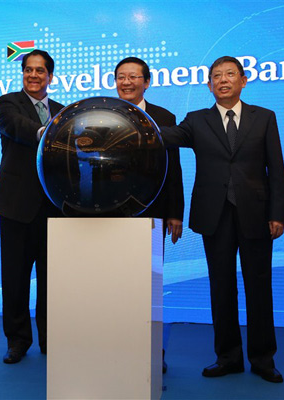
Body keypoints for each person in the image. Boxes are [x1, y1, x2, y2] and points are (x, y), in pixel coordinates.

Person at [159, 56, 284, 383]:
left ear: (243, 80)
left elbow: (276, 168)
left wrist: (278, 213)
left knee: (259, 287)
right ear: (209, 85)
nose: (223, 80)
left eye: (230, 74)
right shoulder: (196, 120)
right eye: (216, 76)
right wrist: (131, 122)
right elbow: (166, 137)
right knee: (221, 287)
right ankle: (228, 357)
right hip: (213, 215)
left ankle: (263, 359)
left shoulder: (264, 117)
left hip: (256, 214)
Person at [0, 49, 65, 364]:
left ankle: (51, 339)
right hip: (17, 205)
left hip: (55, 208)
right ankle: (17, 341)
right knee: (15, 279)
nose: (33, 75)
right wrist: (49, 132)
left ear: (50, 76)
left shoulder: (63, 111)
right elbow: (17, 127)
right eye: (28, 70)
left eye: (40, 70)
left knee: (53, 280)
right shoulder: (8, 103)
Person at [114, 56, 185, 373]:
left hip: (152, 213)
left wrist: (175, 213)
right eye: (120, 76)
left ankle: (152, 349)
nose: (126, 82)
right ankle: (118, 346)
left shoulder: (164, 117)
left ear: (146, 82)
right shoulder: (102, 114)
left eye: (133, 76)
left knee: (149, 285)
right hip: (110, 217)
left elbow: (173, 169)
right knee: (116, 284)